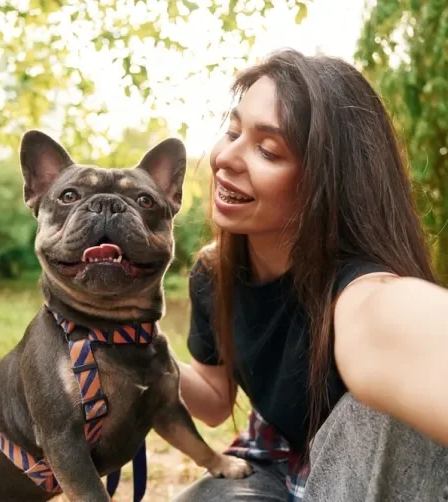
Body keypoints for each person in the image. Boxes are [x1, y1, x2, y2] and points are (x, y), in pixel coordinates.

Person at [173, 49, 448, 501]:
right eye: (233, 131)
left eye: (267, 149)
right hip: (276, 462)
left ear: (326, 181)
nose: (226, 159)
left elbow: (394, 320)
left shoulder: (360, 294)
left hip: (356, 483)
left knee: (374, 412)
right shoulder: (212, 274)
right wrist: (133, 341)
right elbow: (214, 400)